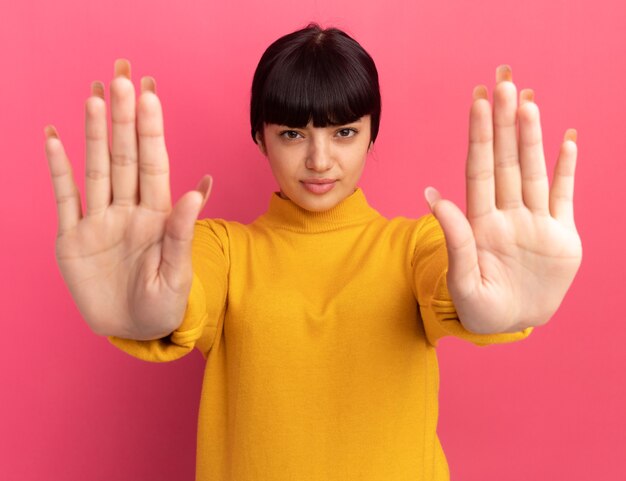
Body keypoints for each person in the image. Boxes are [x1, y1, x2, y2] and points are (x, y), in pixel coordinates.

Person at [44, 24, 582, 481]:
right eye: (293, 134)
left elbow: (452, 285)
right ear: (260, 136)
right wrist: (152, 315)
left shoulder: (416, 245)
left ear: (372, 136)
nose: (320, 159)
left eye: (344, 131)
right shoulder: (221, 248)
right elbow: (183, 296)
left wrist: (493, 306)